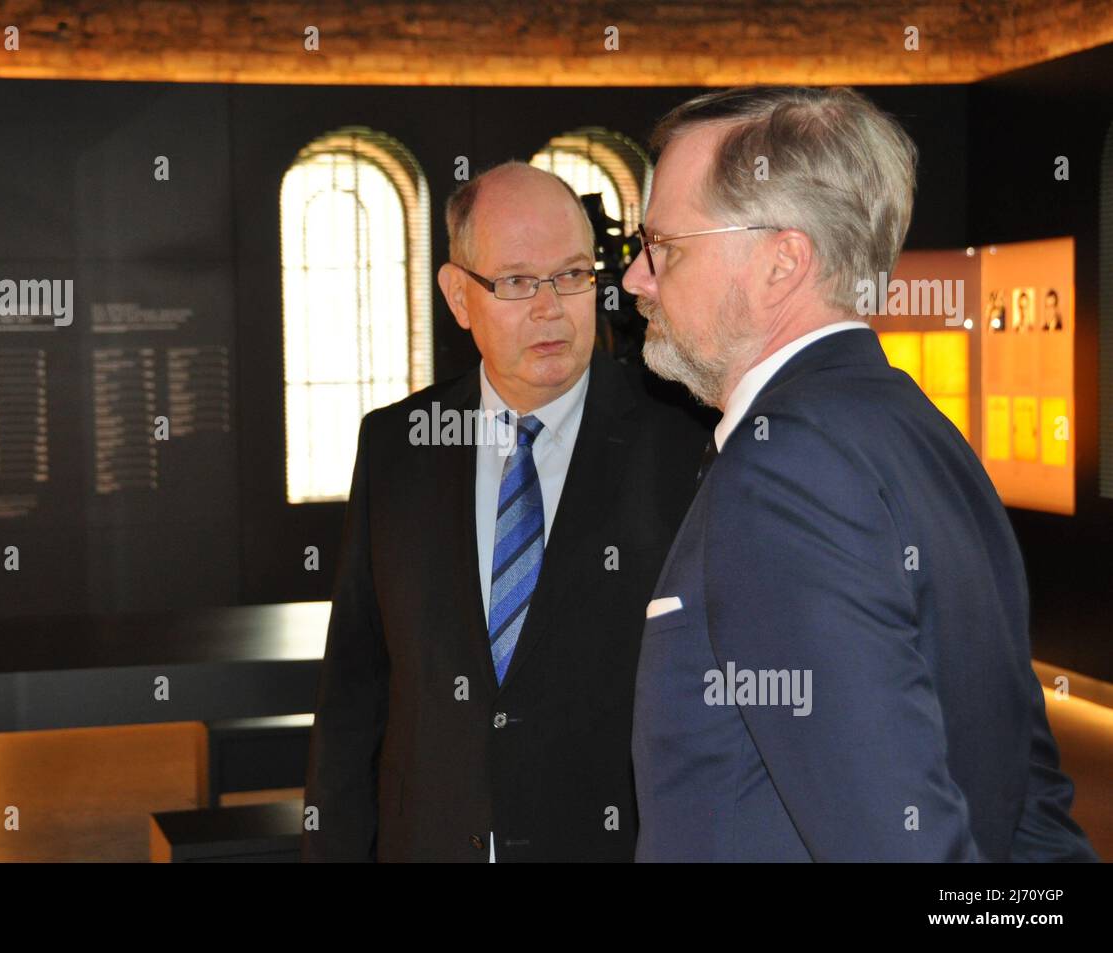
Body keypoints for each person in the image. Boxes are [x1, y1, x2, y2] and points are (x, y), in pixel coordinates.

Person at [623, 86, 1098, 862]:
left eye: (664, 246)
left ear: (782, 262)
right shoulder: (931, 439)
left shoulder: (784, 468)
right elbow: (1031, 813)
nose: (638, 279)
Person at [302, 161, 708, 861]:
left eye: (574, 274)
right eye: (518, 282)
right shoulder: (398, 445)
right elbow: (354, 693)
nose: (551, 308)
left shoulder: (682, 440)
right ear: (460, 297)